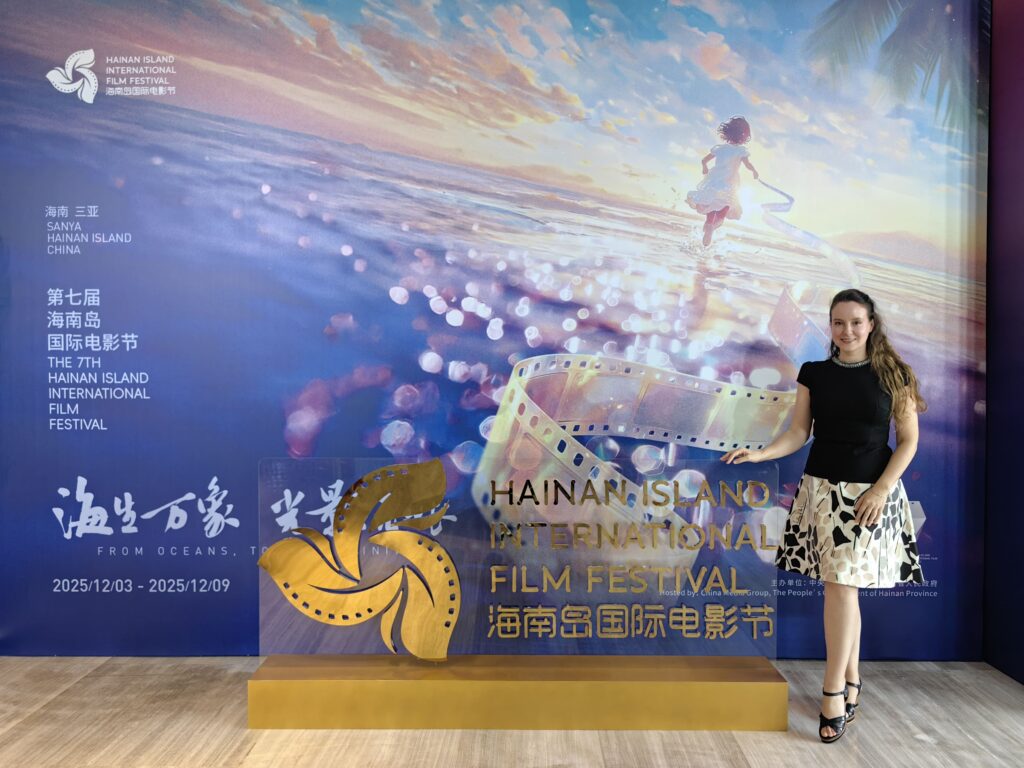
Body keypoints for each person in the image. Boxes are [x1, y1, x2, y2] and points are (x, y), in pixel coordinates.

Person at [722, 288, 926, 743]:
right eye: (838, 322)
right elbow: (799, 432)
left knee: (841, 587)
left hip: (869, 497)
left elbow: (909, 440)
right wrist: (760, 454)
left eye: (855, 322)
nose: (846, 330)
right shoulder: (813, 373)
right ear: (830, 325)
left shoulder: (895, 374)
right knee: (842, 589)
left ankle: (833, 692)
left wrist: (881, 489)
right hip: (821, 492)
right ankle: (851, 680)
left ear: (871, 324)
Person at [685, 116, 759, 247]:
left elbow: (704, 160)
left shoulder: (720, 149)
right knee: (724, 208)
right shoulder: (741, 151)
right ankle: (713, 227)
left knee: (711, 204)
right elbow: (747, 164)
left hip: (714, 182)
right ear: (744, 136)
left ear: (728, 132)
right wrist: (754, 171)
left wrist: (704, 167)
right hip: (729, 184)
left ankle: (709, 224)